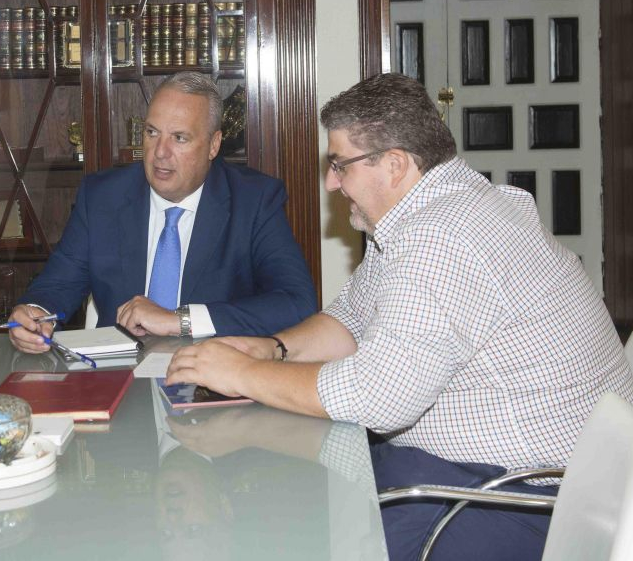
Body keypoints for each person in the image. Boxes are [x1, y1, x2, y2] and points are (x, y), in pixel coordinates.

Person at [166, 73, 633, 560]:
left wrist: (242, 373)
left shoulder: (443, 237)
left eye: (339, 165)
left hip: (529, 500)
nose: (330, 182)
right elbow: (351, 317)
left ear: (394, 165)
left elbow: (377, 396)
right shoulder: (430, 215)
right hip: (491, 473)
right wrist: (275, 349)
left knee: (304, 528)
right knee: (308, 499)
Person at [9, 72, 317, 353]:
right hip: (119, 374)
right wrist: (35, 314)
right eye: (152, 132)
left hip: (213, 375)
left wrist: (181, 320)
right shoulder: (104, 197)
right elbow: (57, 284)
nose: (160, 152)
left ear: (213, 145)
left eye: (179, 138)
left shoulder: (253, 201)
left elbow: (297, 302)